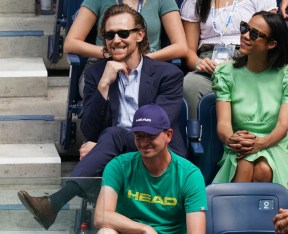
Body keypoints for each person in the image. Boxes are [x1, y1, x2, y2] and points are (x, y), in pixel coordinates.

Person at [17, 5, 186, 230]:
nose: (116, 40)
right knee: (110, 135)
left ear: (140, 35)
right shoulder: (96, 74)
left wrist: (102, 145)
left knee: (113, 134)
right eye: (109, 35)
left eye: (123, 33)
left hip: (159, 150)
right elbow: (90, 131)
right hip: (117, 155)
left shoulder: (168, 75)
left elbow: (157, 125)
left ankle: (54, 203)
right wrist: (104, 85)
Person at [212, 11, 288, 195]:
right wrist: (233, 141)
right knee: (245, 164)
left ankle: (245, 218)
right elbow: (223, 125)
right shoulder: (225, 73)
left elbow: (283, 125)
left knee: (262, 168)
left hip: (275, 143)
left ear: (271, 44)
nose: (245, 35)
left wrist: (260, 143)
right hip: (238, 144)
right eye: (245, 28)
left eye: (254, 34)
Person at [94, 104, 207, 234]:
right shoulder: (119, 166)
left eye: (151, 136)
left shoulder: (189, 175)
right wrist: (144, 229)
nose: (143, 143)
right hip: (133, 232)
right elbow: (101, 216)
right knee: (105, 232)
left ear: (168, 135)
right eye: (139, 136)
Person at [63, 0, 187, 98]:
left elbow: (181, 46)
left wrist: (141, 60)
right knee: (102, 92)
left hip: (149, 67)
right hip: (103, 64)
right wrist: (109, 53)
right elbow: (71, 43)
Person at [180, 0, 277, 119]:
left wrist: (243, 62)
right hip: (209, 64)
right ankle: (197, 135)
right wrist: (199, 63)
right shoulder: (193, 2)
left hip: (247, 58)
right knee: (190, 84)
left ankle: (250, 133)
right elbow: (189, 52)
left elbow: (268, 38)